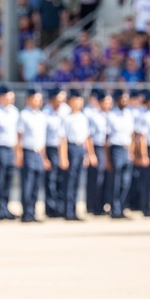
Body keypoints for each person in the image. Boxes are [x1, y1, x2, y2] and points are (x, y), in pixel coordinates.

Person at [16, 90, 50, 223]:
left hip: (39, 153)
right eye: (36, 99)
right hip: (28, 152)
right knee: (27, 184)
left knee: (36, 185)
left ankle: (33, 211)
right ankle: (26, 213)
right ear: (28, 100)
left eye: (40, 99)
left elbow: (42, 139)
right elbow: (19, 137)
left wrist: (45, 157)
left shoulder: (42, 116)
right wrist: (18, 155)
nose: (38, 102)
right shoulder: (23, 115)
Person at [62, 93, 96, 221]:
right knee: (69, 181)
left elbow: (87, 138)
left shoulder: (83, 118)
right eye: (75, 101)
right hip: (71, 148)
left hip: (80, 149)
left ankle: (75, 210)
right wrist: (64, 157)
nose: (78, 104)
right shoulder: (66, 118)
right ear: (70, 102)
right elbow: (63, 139)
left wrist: (89, 154)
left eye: (80, 101)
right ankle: (68, 211)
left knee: (77, 181)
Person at [0, 86, 20, 220]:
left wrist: (18, 152)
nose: (10, 100)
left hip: (11, 148)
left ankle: (5, 207)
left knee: (8, 180)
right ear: (0, 97)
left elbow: (18, 134)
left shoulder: (14, 111)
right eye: (8, 97)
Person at [106, 91, 135, 218]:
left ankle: (122, 207)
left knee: (126, 182)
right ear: (117, 100)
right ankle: (115, 209)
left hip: (126, 149)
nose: (124, 101)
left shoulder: (129, 114)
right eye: (122, 98)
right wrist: (107, 158)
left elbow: (132, 135)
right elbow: (106, 138)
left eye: (126, 99)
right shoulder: (111, 115)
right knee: (116, 182)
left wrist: (131, 152)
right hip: (116, 148)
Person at [43, 89, 69, 218]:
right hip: (50, 147)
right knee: (50, 179)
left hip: (62, 148)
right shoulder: (45, 113)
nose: (59, 103)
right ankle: (51, 207)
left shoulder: (65, 110)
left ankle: (60, 206)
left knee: (61, 178)